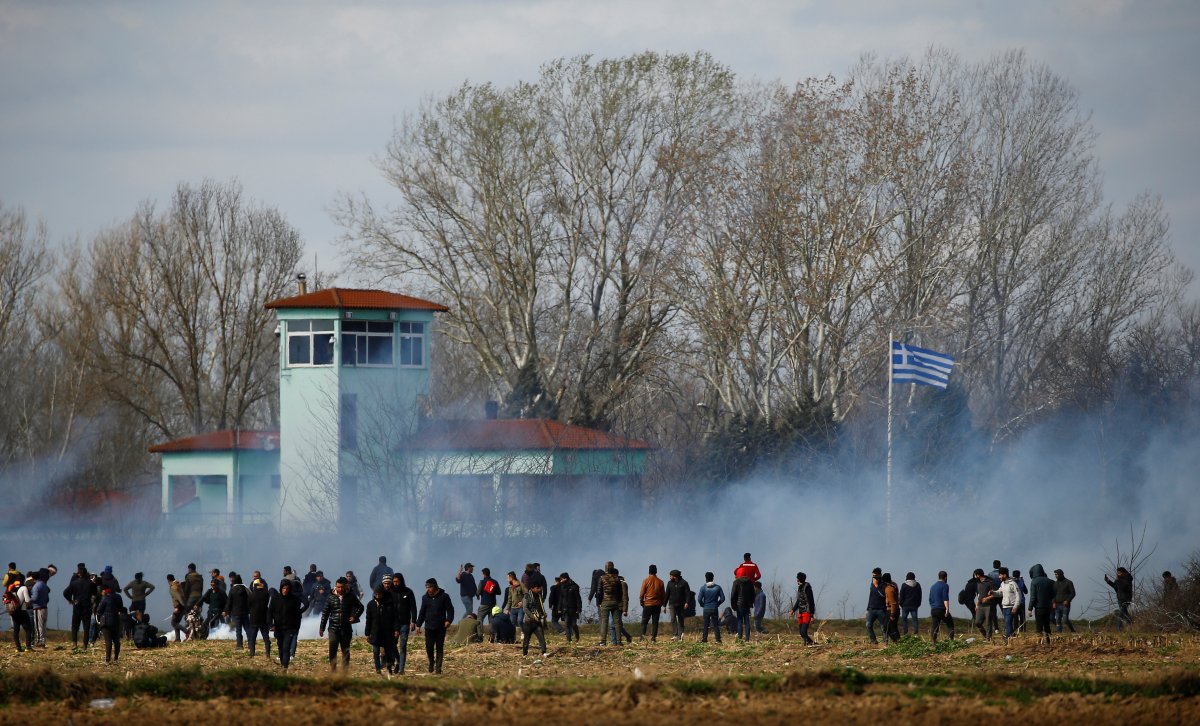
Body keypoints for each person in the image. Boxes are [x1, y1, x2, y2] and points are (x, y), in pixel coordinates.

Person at [319, 577, 364, 672]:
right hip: (333, 628)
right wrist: (322, 628)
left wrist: (354, 617)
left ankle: (344, 673)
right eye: (338, 587)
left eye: (341, 587)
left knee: (346, 651)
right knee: (332, 649)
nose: (339, 589)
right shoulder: (330, 597)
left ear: (345, 586)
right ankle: (333, 671)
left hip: (346, 628)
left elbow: (361, 607)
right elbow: (325, 613)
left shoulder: (351, 596)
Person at [416, 578, 454, 674]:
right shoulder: (425, 598)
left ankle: (438, 668)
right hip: (429, 626)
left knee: (439, 647)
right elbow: (422, 612)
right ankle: (431, 662)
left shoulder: (444, 597)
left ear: (435, 587)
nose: (427, 589)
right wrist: (418, 625)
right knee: (429, 647)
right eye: (426, 587)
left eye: (429, 587)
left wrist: (448, 620)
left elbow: (450, 610)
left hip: (441, 626)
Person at [270, 580, 304, 672]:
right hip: (278, 628)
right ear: (281, 589)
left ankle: (285, 667)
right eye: (283, 588)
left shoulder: (294, 600)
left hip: (289, 628)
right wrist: (271, 624)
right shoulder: (275, 598)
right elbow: (269, 613)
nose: (285, 590)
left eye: (287, 588)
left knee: (286, 648)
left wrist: (295, 627)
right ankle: (282, 664)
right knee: (280, 648)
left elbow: (297, 614)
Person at [366, 586, 400, 674]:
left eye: (379, 594)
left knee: (388, 651)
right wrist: (367, 633)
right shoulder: (371, 604)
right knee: (376, 651)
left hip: (387, 632)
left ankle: (389, 667)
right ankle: (378, 668)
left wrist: (396, 630)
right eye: (376, 594)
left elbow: (395, 618)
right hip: (375, 632)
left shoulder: (389, 604)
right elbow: (368, 619)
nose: (377, 596)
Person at [64, 564, 98, 649]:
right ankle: (85, 645)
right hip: (87, 606)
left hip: (77, 606)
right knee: (86, 627)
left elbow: (65, 592)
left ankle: (74, 643)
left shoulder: (74, 583)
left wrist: (71, 600)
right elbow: (95, 593)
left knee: (75, 626)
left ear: (78, 574)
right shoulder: (90, 583)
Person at [390, 573, 418, 674]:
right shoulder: (390, 592)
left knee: (403, 646)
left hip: (405, 623)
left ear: (401, 581)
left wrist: (414, 621)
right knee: (392, 645)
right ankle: (398, 660)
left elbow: (413, 607)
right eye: (394, 582)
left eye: (397, 581)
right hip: (392, 624)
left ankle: (401, 669)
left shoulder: (408, 592)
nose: (395, 583)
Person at [95, 583, 125, 663]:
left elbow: (99, 611)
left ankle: (108, 659)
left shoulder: (105, 598)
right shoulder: (118, 597)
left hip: (106, 622)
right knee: (116, 640)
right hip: (115, 621)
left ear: (104, 591)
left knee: (108, 641)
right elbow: (121, 608)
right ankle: (116, 658)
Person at [638, 564, 666, 642]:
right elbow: (664, 595)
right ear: (656, 571)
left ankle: (642, 637)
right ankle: (653, 638)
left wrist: (641, 602)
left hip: (647, 604)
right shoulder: (661, 582)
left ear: (649, 571)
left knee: (644, 622)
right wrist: (662, 604)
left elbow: (641, 594)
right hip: (657, 604)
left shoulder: (646, 581)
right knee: (655, 622)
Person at [597, 565, 624, 646]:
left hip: (605, 602)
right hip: (615, 602)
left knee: (604, 621)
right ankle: (619, 642)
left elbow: (599, 592)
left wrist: (599, 602)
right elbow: (620, 592)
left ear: (605, 568)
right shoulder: (617, 578)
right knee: (617, 622)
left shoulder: (602, 578)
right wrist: (618, 600)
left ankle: (603, 641)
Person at [1027, 564, 1054, 644]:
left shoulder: (1034, 582)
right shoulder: (1050, 581)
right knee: (1047, 625)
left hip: (1039, 607)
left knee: (1039, 626)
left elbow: (1033, 597)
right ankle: (1049, 642)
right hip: (1048, 607)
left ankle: (1039, 643)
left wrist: (1030, 608)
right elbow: (1053, 595)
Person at [246, 576, 272, 657]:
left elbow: (248, 606)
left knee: (252, 638)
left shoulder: (251, 595)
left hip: (254, 618)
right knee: (266, 637)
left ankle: (252, 653)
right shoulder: (266, 594)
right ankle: (267, 653)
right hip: (263, 618)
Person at [697, 572, 725, 643]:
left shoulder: (703, 588)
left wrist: (702, 604)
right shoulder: (718, 587)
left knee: (706, 624)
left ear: (705, 578)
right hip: (714, 608)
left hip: (706, 608)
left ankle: (704, 639)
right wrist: (717, 604)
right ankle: (718, 639)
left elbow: (699, 599)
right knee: (715, 624)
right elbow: (723, 598)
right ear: (713, 578)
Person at [521, 581, 548, 657]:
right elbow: (525, 608)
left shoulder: (539, 596)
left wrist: (543, 614)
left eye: (540, 588)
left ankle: (544, 652)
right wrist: (533, 616)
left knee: (541, 637)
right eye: (537, 588)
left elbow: (540, 607)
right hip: (529, 622)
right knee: (526, 639)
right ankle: (524, 654)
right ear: (532, 588)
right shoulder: (527, 596)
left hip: (537, 622)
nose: (539, 589)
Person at [6, 577, 32, 652]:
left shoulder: (11, 589)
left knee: (16, 630)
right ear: (22, 581)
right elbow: (27, 600)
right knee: (28, 629)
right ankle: (28, 647)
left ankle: (18, 648)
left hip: (13, 612)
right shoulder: (24, 588)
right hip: (22, 611)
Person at [790, 571, 816, 645]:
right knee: (801, 633)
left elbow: (811, 601)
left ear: (798, 579)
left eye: (797, 578)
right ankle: (809, 642)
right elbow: (799, 600)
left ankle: (810, 642)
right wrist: (793, 610)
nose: (796, 580)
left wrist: (812, 615)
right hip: (800, 612)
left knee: (803, 631)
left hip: (807, 612)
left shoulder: (807, 588)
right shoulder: (799, 588)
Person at [928, 570, 955, 643]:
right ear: (945, 577)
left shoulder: (932, 586)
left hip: (934, 609)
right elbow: (945, 598)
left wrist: (933, 606)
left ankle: (933, 641)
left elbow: (930, 599)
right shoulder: (945, 585)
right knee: (950, 624)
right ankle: (951, 641)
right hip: (941, 608)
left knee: (935, 626)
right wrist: (947, 609)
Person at [225, 573, 250, 649]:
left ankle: (239, 645)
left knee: (238, 630)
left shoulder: (232, 589)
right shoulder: (245, 589)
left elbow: (229, 601)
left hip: (236, 613)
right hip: (245, 612)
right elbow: (250, 599)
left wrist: (227, 611)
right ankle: (250, 643)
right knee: (247, 629)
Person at [665, 569, 690, 641]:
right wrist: (664, 605)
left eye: (671, 576)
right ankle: (675, 635)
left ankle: (680, 635)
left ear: (675, 576)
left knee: (680, 619)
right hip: (672, 604)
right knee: (673, 618)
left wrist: (687, 602)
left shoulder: (684, 583)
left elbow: (688, 594)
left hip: (681, 604)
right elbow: (667, 594)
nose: (669, 577)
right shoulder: (669, 583)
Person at [731, 572, 755, 641]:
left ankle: (740, 638)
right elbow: (753, 594)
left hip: (739, 605)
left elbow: (733, 595)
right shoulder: (750, 582)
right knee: (747, 622)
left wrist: (733, 605)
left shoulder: (736, 582)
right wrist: (751, 603)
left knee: (739, 621)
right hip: (747, 605)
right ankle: (747, 639)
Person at [997, 567, 1019, 641]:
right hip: (1004, 607)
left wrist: (1015, 606)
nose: (999, 577)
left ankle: (1008, 639)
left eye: (1000, 575)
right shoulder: (1002, 584)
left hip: (1011, 607)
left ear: (1004, 575)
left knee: (1008, 623)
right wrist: (992, 592)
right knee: (1007, 623)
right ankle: (1012, 636)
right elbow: (999, 593)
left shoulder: (1013, 584)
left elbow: (1019, 596)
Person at [973, 569, 997, 640]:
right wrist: (977, 604)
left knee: (988, 623)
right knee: (977, 622)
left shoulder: (990, 582)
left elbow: (995, 594)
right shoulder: (978, 583)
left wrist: (988, 598)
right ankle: (985, 634)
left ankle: (988, 638)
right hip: (980, 605)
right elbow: (979, 595)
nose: (974, 577)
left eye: (975, 575)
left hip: (988, 605)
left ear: (978, 575)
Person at [559, 572, 582, 643]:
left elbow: (578, 598)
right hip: (565, 609)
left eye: (561, 579)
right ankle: (569, 640)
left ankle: (577, 637)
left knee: (574, 624)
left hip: (573, 608)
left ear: (565, 578)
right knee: (566, 624)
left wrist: (579, 608)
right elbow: (561, 598)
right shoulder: (562, 587)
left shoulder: (575, 586)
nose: (560, 581)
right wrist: (559, 608)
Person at [28, 570, 49, 648]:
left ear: (33, 578)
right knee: (43, 626)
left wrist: (29, 600)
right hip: (44, 607)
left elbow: (35, 597)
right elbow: (47, 598)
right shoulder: (44, 585)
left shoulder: (36, 586)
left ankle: (39, 642)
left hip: (38, 608)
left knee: (38, 626)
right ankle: (43, 641)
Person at [866, 569, 887, 645]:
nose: (873, 577)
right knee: (868, 625)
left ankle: (885, 642)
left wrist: (876, 585)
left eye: (874, 576)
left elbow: (883, 595)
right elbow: (871, 595)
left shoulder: (884, 584)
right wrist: (868, 607)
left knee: (883, 627)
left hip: (881, 609)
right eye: (872, 576)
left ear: (879, 575)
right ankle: (873, 640)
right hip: (871, 608)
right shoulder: (872, 582)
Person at [1052, 568, 1077, 633]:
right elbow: (1052, 594)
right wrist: (1053, 602)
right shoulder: (1055, 584)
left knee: (1065, 620)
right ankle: (1058, 633)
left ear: (1061, 574)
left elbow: (1073, 593)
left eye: (1057, 574)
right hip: (1057, 605)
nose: (1056, 576)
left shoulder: (1069, 582)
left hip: (1065, 605)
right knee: (1057, 620)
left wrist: (1068, 600)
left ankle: (1072, 630)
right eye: (1055, 574)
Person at [882, 573, 901, 643]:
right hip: (896, 610)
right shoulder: (894, 585)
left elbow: (893, 603)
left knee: (887, 627)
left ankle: (897, 642)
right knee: (893, 627)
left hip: (891, 610)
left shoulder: (889, 589)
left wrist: (892, 614)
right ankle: (898, 642)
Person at [167, 574, 186, 642]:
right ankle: (177, 638)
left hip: (179, 607)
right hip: (182, 606)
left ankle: (187, 632)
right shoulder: (179, 584)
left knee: (173, 623)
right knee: (176, 622)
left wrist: (177, 607)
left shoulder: (173, 587)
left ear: (168, 580)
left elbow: (178, 597)